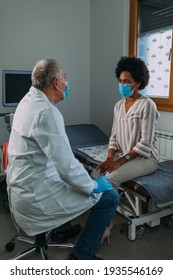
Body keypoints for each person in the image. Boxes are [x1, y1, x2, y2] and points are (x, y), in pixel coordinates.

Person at [6, 58, 119, 260]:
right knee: (110, 197)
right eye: (66, 77)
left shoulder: (27, 101)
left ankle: (60, 230)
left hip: (20, 188)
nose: (68, 83)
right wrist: (93, 185)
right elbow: (67, 167)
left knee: (70, 181)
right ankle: (81, 256)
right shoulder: (47, 112)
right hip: (36, 197)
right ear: (57, 83)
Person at [96, 56, 160, 187]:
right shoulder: (118, 105)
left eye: (126, 81)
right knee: (96, 173)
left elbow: (146, 143)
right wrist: (109, 158)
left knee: (110, 179)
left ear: (138, 83)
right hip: (126, 155)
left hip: (146, 158)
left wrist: (119, 161)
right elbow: (114, 136)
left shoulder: (147, 105)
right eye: (120, 81)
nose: (121, 85)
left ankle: (108, 207)